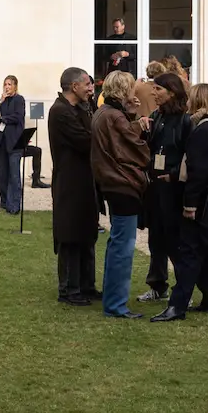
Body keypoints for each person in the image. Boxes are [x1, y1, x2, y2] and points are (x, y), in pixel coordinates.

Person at [151, 81, 208, 321]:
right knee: (207, 251)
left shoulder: (205, 129)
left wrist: (189, 205)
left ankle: (177, 306)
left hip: (204, 203)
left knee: (189, 252)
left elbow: (199, 171)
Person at [90, 71, 148, 319]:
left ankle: (113, 299)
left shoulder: (103, 113)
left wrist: (132, 116)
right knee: (123, 247)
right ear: (124, 90)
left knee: (117, 244)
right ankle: (116, 304)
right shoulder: (113, 116)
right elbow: (132, 146)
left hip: (112, 184)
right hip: (122, 184)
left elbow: (121, 137)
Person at [49, 65, 100, 307]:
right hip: (69, 180)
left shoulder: (82, 108)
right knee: (70, 232)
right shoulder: (60, 111)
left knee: (87, 230)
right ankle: (69, 289)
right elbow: (85, 140)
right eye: (88, 84)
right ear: (74, 86)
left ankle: (86, 285)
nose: (91, 88)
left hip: (85, 178)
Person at [137, 72, 186, 304]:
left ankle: (183, 290)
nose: (153, 93)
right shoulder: (157, 116)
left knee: (174, 240)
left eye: (158, 89)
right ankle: (157, 285)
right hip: (155, 186)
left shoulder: (185, 121)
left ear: (172, 92)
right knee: (155, 239)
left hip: (173, 188)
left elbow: (191, 156)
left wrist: (175, 174)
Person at [0, 74, 28, 214]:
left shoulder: (19, 100)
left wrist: (3, 118)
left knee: (14, 175)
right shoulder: (2, 101)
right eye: (5, 84)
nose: (7, 87)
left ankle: (14, 205)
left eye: (9, 84)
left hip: (14, 142)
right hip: (1, 142)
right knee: (3, 173)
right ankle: (4, 202)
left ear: (15, 86)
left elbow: (18, 116)